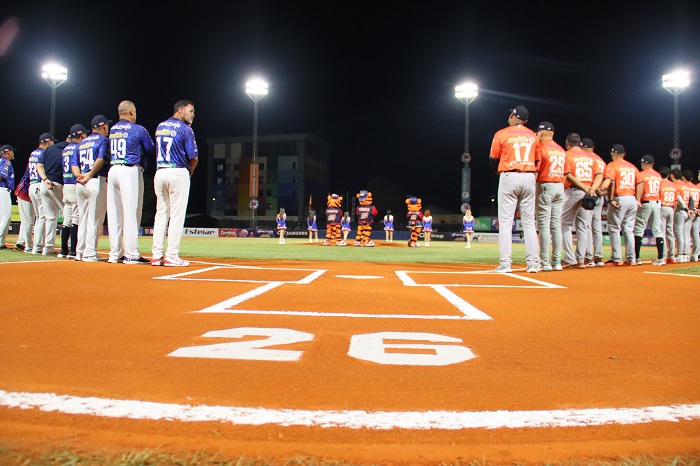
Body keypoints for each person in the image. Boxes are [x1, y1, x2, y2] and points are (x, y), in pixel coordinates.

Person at [489, 105, 541, 273]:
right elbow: (537, 161)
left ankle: (505, 263)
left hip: (509, 175)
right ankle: (533, 263)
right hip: (529, 176)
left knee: (505, 222)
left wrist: (500, 173)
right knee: (529, 223)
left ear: (513, 115)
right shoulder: (533, 136)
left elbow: (493, 159)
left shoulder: (501, 133)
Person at [151, 99, 199, 266]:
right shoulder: (186, 129)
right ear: (180, 110)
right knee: (177, 215)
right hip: (177, 171)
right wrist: (189, 172)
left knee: (161, 214)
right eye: (190, 110)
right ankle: (171, 255)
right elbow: (194, 157)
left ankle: (157, 255)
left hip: (160, 172)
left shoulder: (160, 126)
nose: (193, 114)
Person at [108, 100, 156, 264]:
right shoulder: (138, 129)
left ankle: (114, 254)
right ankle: (132, 254)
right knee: (131, 212)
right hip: (129, 170)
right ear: (131, 112)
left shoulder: (113, 129)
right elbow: (150, 149)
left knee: (114, 214)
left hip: (113, 169)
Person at [560, 133, 602, 269]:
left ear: (567, 143)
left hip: (574, 191)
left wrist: (584, 187)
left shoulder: (566, 155)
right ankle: (580, 260)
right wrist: (592, 189)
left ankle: (569, 258)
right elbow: (599, 175)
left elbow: (568, 175)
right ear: (579, 144)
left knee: (564, 224)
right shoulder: (590, 157)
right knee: (583, 227)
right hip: (588, 192)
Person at [74, 115, 111, 262]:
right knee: (95, 218)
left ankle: (80, 252)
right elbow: (100, 160)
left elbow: (74, 164)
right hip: (95, 179)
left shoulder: (82, 142)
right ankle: (89, 252)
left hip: (80, 182)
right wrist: (89, 175)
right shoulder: (103, 140)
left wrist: (80, 176)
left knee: (83, 218)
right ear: (104, 126)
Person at [600, 144, 640, 265]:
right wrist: (637, 199)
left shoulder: (612, 165)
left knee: (614, 227)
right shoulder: (632, 167)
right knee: (628, 229)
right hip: (632, 199)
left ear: (613, 153)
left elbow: (610, 181)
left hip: (619, 198)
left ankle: (616, 258)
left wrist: (607, 196)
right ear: (624, 154)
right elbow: (640, 183)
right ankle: (631, 258)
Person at [535, 122, 565, 271]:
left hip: (545, 185)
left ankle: (545, 261)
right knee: (556, 225)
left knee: (544, 225)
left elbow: (536, 170)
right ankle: (557, 261)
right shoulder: (561, 150)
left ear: (541, 132)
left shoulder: (541, 147)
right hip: (559, 186)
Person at [36, 132, 71, 255]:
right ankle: (70, 246)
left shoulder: (50, 149)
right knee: (69, 214)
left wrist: (45, 179)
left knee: (50, 217)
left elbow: (39, 165)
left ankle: (48, 247)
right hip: (57, 184)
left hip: (44, 184)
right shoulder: (70, 148)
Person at [59, 124, 88, 258]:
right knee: (76, 218)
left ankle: (63, 250)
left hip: (66, 184)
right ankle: (73, 250)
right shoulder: (79, 147)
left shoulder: (65, 149)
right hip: (74, 183)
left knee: (67, 219)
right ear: (82, 135)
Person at [633, 155, 665, 266]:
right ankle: (661, 258)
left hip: (645, 203)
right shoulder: (658, 175)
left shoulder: (641, 174)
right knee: (657, 229)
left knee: (639, 229)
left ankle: (637, 257)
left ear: (644, 163)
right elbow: (661, 191)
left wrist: (637, 200)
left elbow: (639, 188)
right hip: (656, 203)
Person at [27, 133, 56, 254]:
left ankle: (37, 246)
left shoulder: (33, 153)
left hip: (32, 185)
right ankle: (38, 246)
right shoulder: (44, 153)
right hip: (39, 184)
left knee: (39, 217)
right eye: (52, 142)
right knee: (43, 216)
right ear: (48, 142)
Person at [581, 138, 607, 267]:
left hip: (589, 193)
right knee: (596, 226)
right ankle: (598, 256)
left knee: (586, 225)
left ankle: (588, 257)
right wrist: (603, 189)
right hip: (600, 195)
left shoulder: (585, 158)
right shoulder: (601, 160)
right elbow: (607, 178)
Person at [13, 148, 33, 251]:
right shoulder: (40, 159)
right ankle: (28, 245)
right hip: (25, 192)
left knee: (26, 220)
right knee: (29, 220)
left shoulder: (33, 158)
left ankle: (20, 242)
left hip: (21, 190)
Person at [659, 167, 679, 263]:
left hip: (662, 207)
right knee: (670, 233)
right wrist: (673, 211)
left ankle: (663, 256)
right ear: (668, 175)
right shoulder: (673, 185)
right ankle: (671, 256)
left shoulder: (659, 184)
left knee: (662, 232)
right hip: (671, 208)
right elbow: (676, 201)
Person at [672, 168, 691, 263]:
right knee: (686, 234)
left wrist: (686, 209)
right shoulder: (686, 186)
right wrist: (690, 209)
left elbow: (679, 199)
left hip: (681, 210)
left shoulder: (676, 185)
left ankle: (680, 254)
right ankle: (686, 255)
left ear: (672, 175)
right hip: (688, 212)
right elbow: (691, 199)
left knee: (679, 234)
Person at [0, 144, 16, 249]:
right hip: (3, 189)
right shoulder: (6, 162)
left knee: (3, 217)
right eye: (12, 151)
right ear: (7, 152)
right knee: (6, 215)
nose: (13, 153)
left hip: (2, 190)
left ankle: (1, 243)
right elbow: (1, 175)